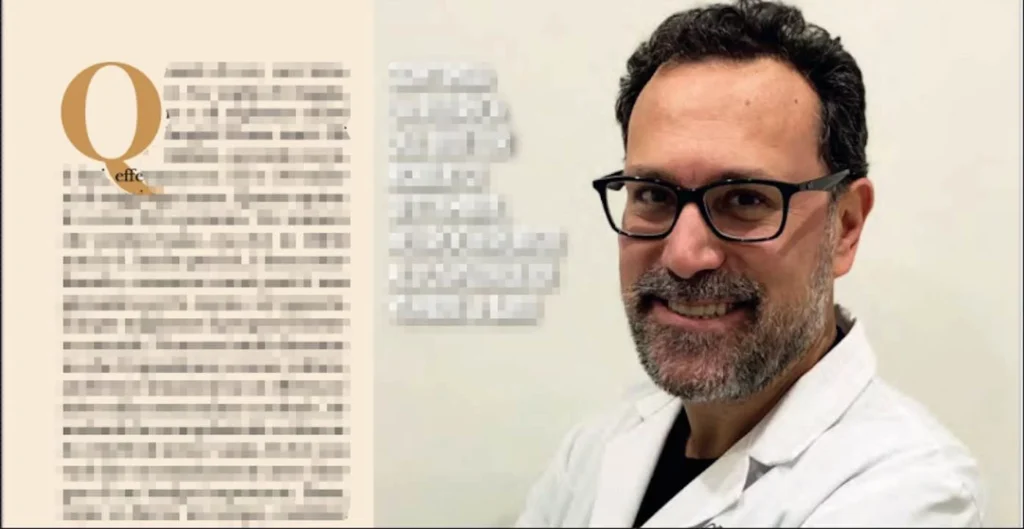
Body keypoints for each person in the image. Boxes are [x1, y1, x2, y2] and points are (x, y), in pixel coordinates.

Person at [514, 1, 984, 527]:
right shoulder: (595, 450)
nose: (684, 256)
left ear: (845, 227)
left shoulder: (910, 494)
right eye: (653, 194)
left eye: (744, 199)